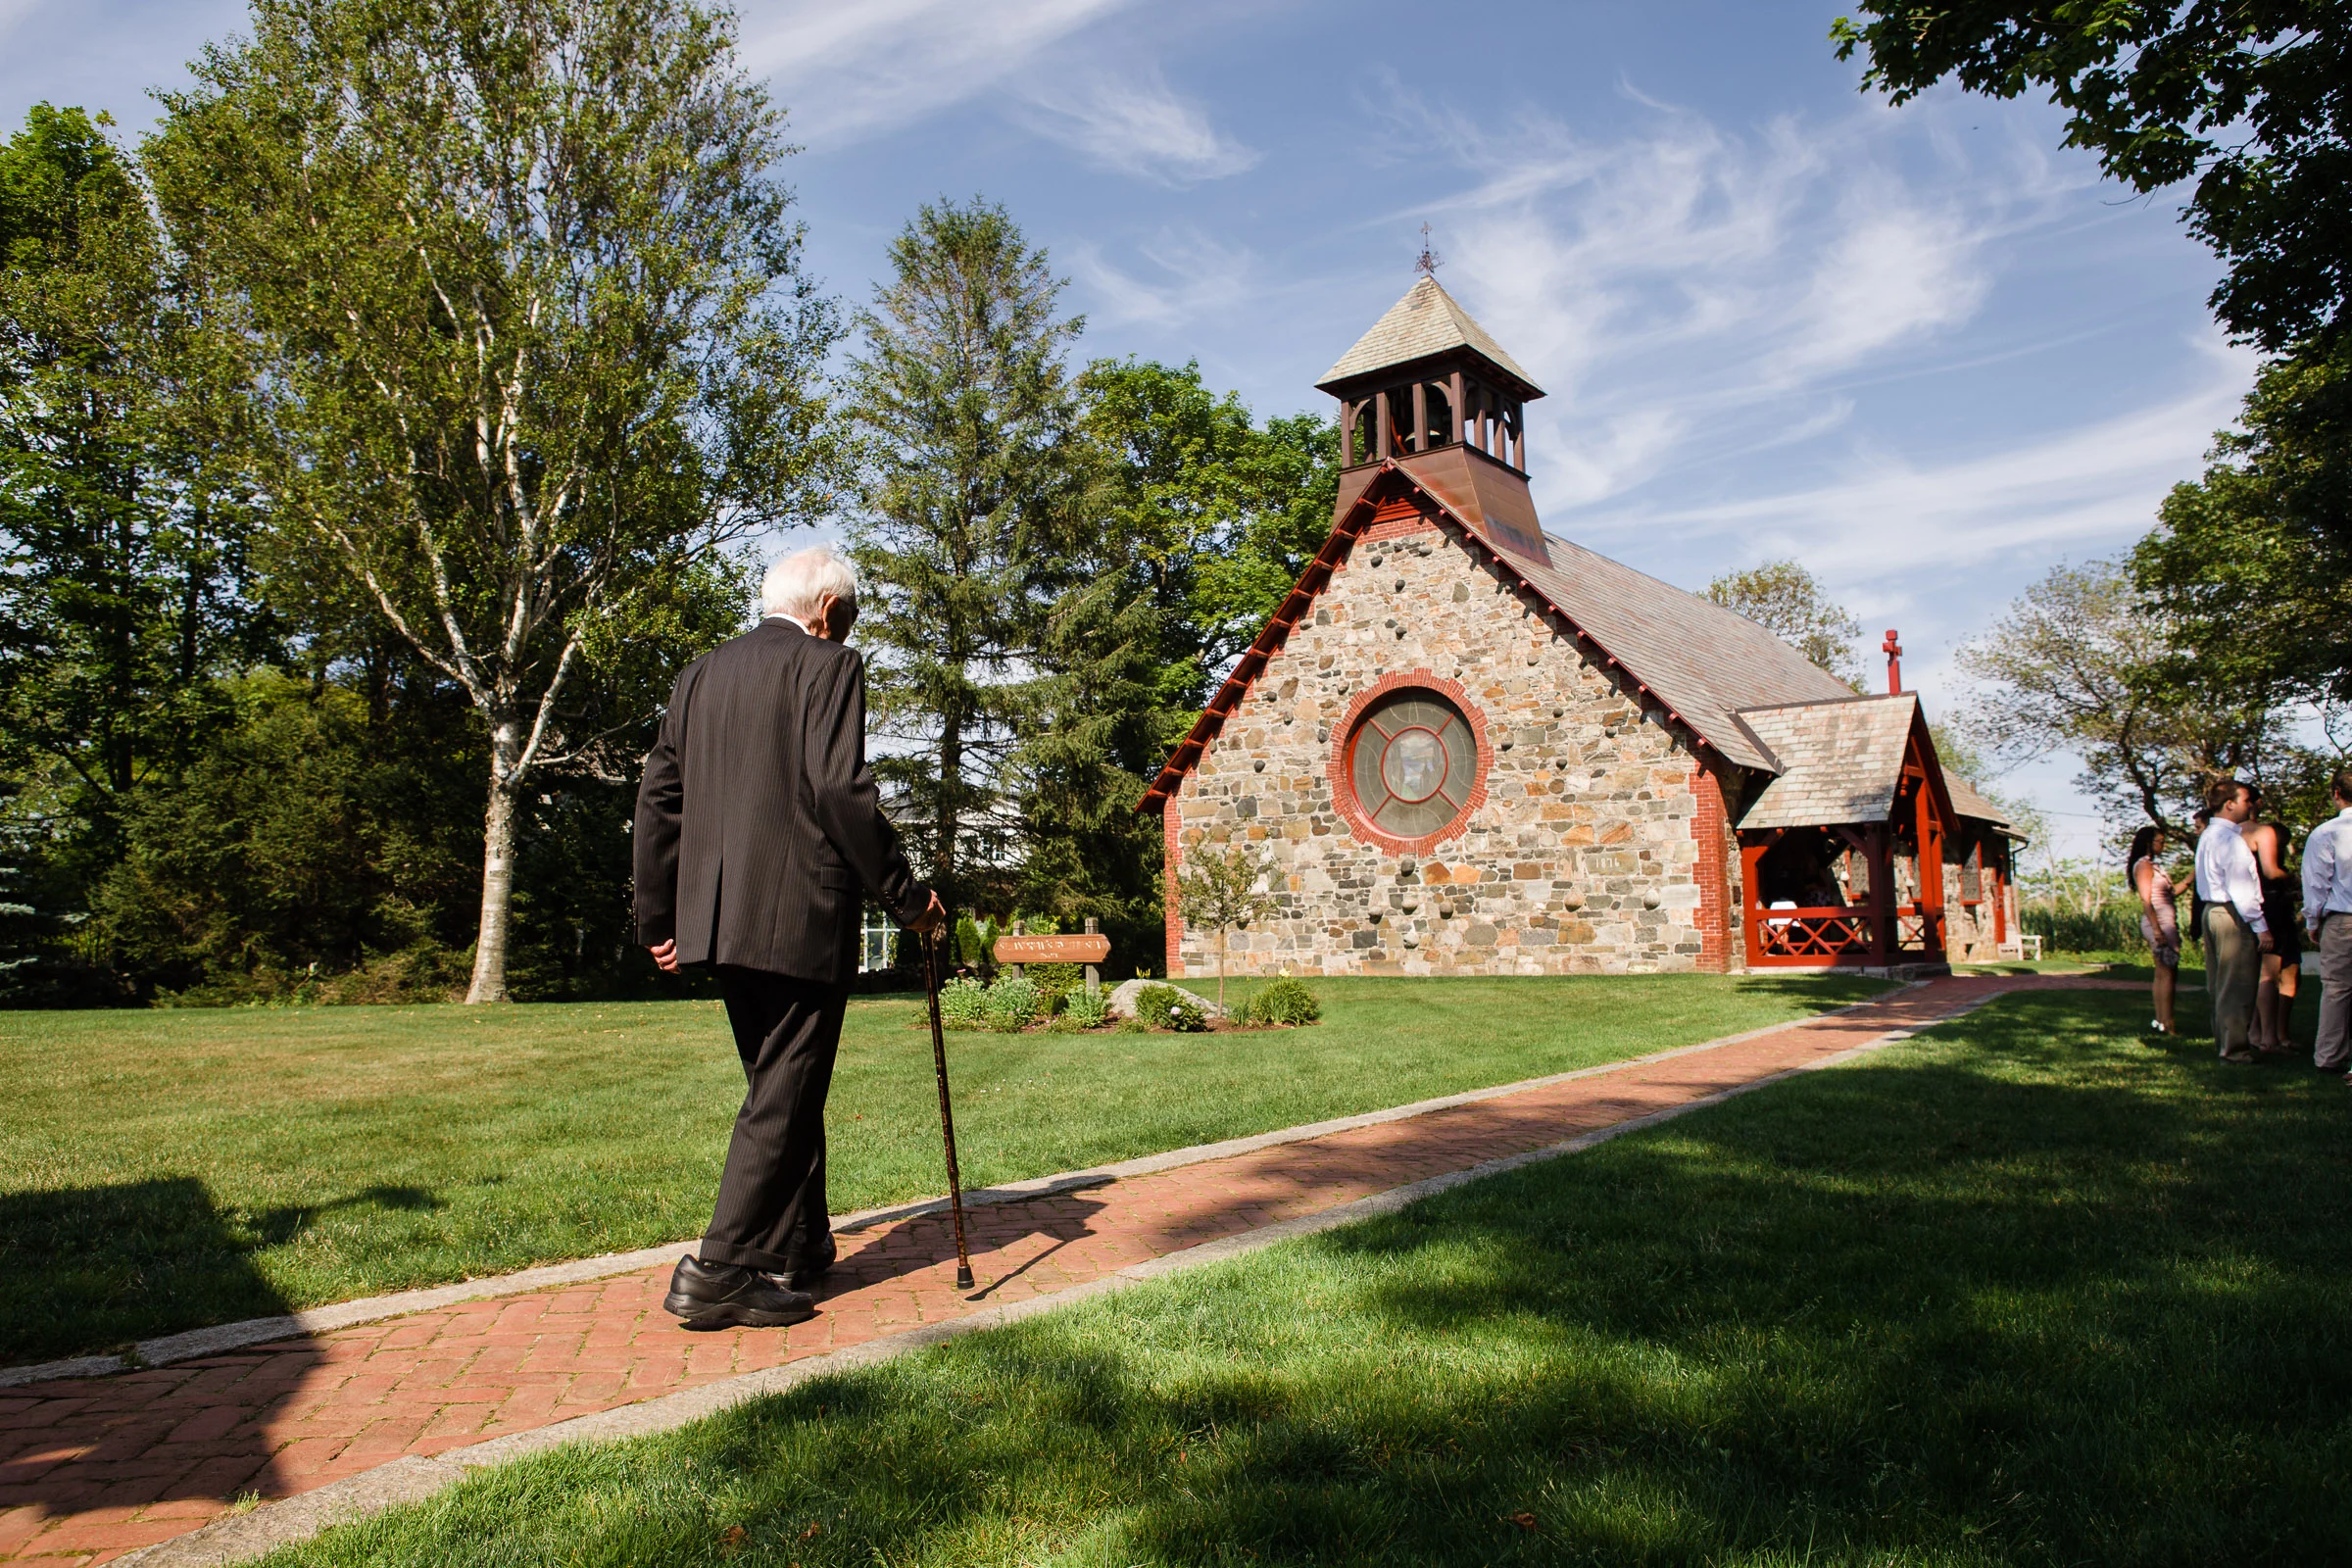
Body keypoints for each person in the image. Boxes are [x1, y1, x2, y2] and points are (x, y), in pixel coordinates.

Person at [634, 546, 945, 1330]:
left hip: (715, 920)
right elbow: (840, 789)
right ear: (830, 611)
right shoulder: (829, 666)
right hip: (800, 914)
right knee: (784, 1091)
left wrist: (660, 917)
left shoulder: (700, 674)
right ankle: (720, 1268)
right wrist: (908, 898)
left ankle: (800, 1246)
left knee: (783, 1085)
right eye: (851, 618)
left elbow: (658, 796)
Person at [2192, 778, 2273, 1062]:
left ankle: (2224, 1042)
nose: (2251, 805)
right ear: (2230, 804)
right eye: (2246, 800)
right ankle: (2234, 1049)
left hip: (2212, 910)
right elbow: (2243, 888)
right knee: (2237, 983)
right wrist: (2261, 927)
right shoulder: (2229, 839)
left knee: (2219, 983)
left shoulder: (2207, 836)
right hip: (2230, 913)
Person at [2242, 785, 2302, 1050]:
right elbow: (2271, 872)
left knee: (2270, 972)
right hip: (2268, 909)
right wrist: (2292, 879)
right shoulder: (2257, 833)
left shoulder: (2227, 835)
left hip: (2253, 908)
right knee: (2267, 973)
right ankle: (2267, 1036)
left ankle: (2260, 1032)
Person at [2301, 767, 2352, 1075]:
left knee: (2336, 989)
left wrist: (2312, 921)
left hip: (2342, 919)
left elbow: (2316, 883)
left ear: (2336, 793)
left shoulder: (2325, 833)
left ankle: (2330, 1056)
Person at [2127, 824, 2180, 1035]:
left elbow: (2171, 893)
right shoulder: (2144, 866)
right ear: (2149, 843)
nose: (2163, 845)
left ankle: (2162, 1021)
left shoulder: (2153, 866)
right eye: (2160, 841)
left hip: (2164, 919)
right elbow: (2146, 900)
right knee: (2167, 972)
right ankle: (2168, 1023)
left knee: (2163, 973)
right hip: (2159, 921)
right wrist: (2157, 930)